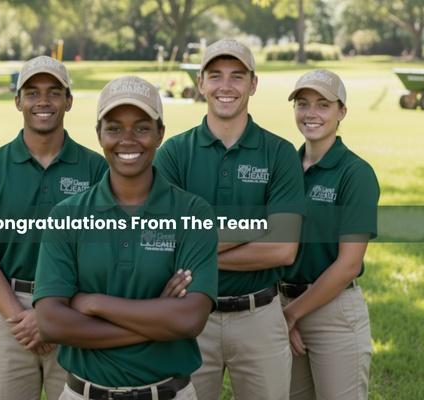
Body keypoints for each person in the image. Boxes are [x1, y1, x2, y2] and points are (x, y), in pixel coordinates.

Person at [33, 76, 218, 400]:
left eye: (142, 128)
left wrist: (94, 303)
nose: (128, 140)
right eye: (115, 128)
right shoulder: (67, 214)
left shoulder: (193, 212)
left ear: (160, 133)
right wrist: (158, 316)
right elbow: (51, 323)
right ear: (99, 134)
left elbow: (190, 318)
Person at [154, 39, 306, 400]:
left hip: (260, 317)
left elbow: (283, 248)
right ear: (200, 83)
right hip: (189, 316)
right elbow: (163, 241)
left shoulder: (279, 153)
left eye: (237, 76)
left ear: (253, 84)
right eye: (215, 75)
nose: (226, 86)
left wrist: (197, 251)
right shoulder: (173, 153)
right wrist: (259, 225)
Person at [0, 56, 107, 400]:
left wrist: (50, 315)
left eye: (54, 92)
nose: (43, 101)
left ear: (69, 101)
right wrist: (22, 318)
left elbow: (101, 256)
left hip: (73, 307)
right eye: (32, 92)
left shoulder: (96, 168)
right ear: (18, 101)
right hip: (8, 311)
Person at [280, 69, 379, 400]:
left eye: (323, 105)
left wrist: (291, 315)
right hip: (283, 304)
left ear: (342, 112)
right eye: (302, 104)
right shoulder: (285, 168)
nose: (311, 113)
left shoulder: (356, 173)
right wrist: (283, 313)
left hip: (332, 312)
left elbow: (349, 264)